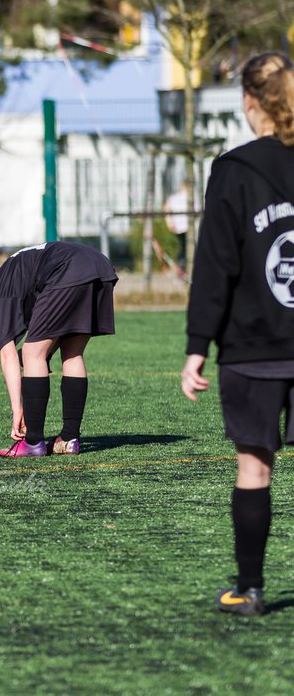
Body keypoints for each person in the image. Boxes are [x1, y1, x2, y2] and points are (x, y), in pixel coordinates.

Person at [182, 51, 294, 617]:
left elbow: (215, 266)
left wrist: (196, 347)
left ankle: (249, 589)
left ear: (250, 104)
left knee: (255, 467)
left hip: (252, 347)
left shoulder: (232, 170)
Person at [0, 240, 117, 457]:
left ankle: (33, 441)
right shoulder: (9, 283)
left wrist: (18, 410)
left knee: (33, 354)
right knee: (72, 353)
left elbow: (8, 357)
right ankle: (69, 438)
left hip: (67, 271)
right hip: (98, 265)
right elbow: (53, 335)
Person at [163, 180, 190, 265]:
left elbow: (166, 209)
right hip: (188, 227)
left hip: (178, 228)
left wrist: (169, 223)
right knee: (185, 248)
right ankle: (183, 265)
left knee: (183, 248)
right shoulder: (192, 197)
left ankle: (182, 265)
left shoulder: (173, 198)